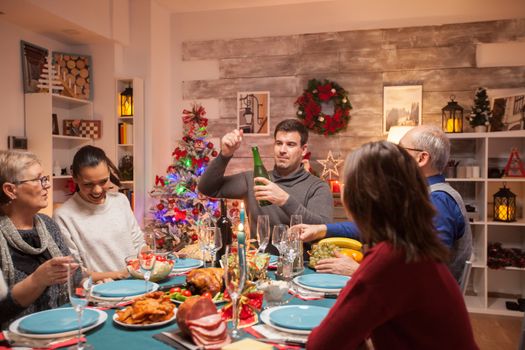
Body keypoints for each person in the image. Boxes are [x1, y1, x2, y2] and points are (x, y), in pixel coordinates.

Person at [307, 141, 478, 350]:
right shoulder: (413, 242)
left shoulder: (390, 258)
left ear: (356, 198)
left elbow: (321, 344)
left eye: (345, 185)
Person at [299, 125, 472, 282]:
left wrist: (357, 270)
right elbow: (378, 228)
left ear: (422, 158)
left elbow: (427, 276)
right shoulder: (420, 195)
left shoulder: (436, 200)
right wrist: (322, 230)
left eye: (401, 150)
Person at [198, 119, 333, 252]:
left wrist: (285, 200)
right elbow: (207, 188)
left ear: (303, 150)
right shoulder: (253, 180)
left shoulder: (318, 187)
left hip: (300, 268)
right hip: (258, 266)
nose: (282, 150)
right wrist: (224, 155)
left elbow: (324, 228)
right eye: (279, 143)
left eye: (290, 144)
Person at [0, 150, 74, 326]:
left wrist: (95, 280)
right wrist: (36, 280)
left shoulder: (47, 224)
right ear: (10, 190)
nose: (46, 185)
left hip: (60, 326)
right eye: (38, 180)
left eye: (45, 178)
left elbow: (72, 277)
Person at [54, 146, 144, 282]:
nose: (97, 190)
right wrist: (120, 274)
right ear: (75, 178)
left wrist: (148, 256)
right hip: (102, 293)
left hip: (139, 284)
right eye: (88, 184)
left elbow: (138, 243)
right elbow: (75, 272)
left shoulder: (121, 201)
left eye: (103, 182)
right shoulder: (64, 216)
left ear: (109, 173)